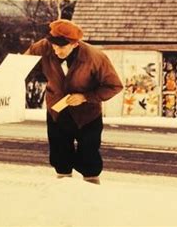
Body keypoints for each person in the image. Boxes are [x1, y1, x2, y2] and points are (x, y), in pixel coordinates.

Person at [24, 19, 123, 184]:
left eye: (61, 47)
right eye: (53, 44)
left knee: (89, 156)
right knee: (59, 155)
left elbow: (114, 86)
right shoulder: (44, 46)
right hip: (57, 111)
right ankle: (64, 189)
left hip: (87, 115)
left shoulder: (95, 58)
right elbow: (22, 63)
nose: (55, 50)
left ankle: (91, 190)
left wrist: (85, 97)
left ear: (75, 44)